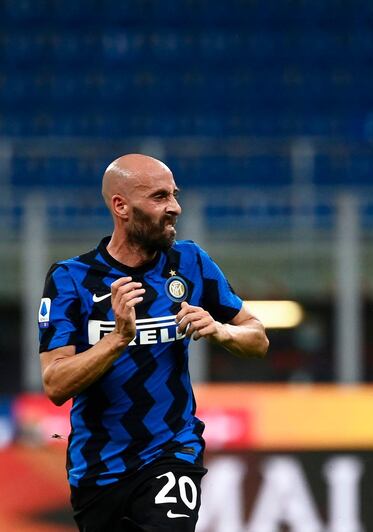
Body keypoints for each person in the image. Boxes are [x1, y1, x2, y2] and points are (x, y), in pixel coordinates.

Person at [38, 154, 269, 530]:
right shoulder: (71, 279)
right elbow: (55, 383)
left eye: (174, 195)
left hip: (172, 450)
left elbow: (257, 336)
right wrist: (117, 339)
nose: (175, 208)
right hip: (98, 468)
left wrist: (221, 330)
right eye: (160, 197)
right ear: (121, 206)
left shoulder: (191, 262)